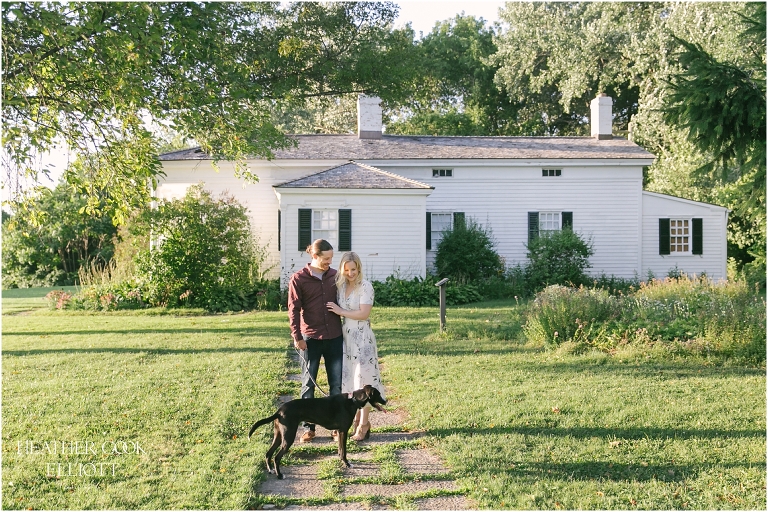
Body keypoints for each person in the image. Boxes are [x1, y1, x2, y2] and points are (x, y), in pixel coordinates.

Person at [288, 239, 344, 443]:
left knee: (336, 385)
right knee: (308, 385)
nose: (330, 262)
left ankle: (336, 427)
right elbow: (293, 310)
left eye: (331, 258)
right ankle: (309, 428)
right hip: (310, 338)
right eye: (326, 258)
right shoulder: (299, 279)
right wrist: (297, 337)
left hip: (335, 337)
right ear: (314, 256)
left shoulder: (335, 276)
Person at [326, 252, 385, 441]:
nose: (351, 273)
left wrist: (340, 311)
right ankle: (354, 419)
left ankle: (363, 424)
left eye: (354, 269)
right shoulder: (341, 287)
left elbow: (364, 314)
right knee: (351, 382)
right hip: (347, 338)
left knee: (364, 380)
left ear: (358, 268)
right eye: (347, 269)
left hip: (362, 337)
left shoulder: (365, 287)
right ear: (342, 270)